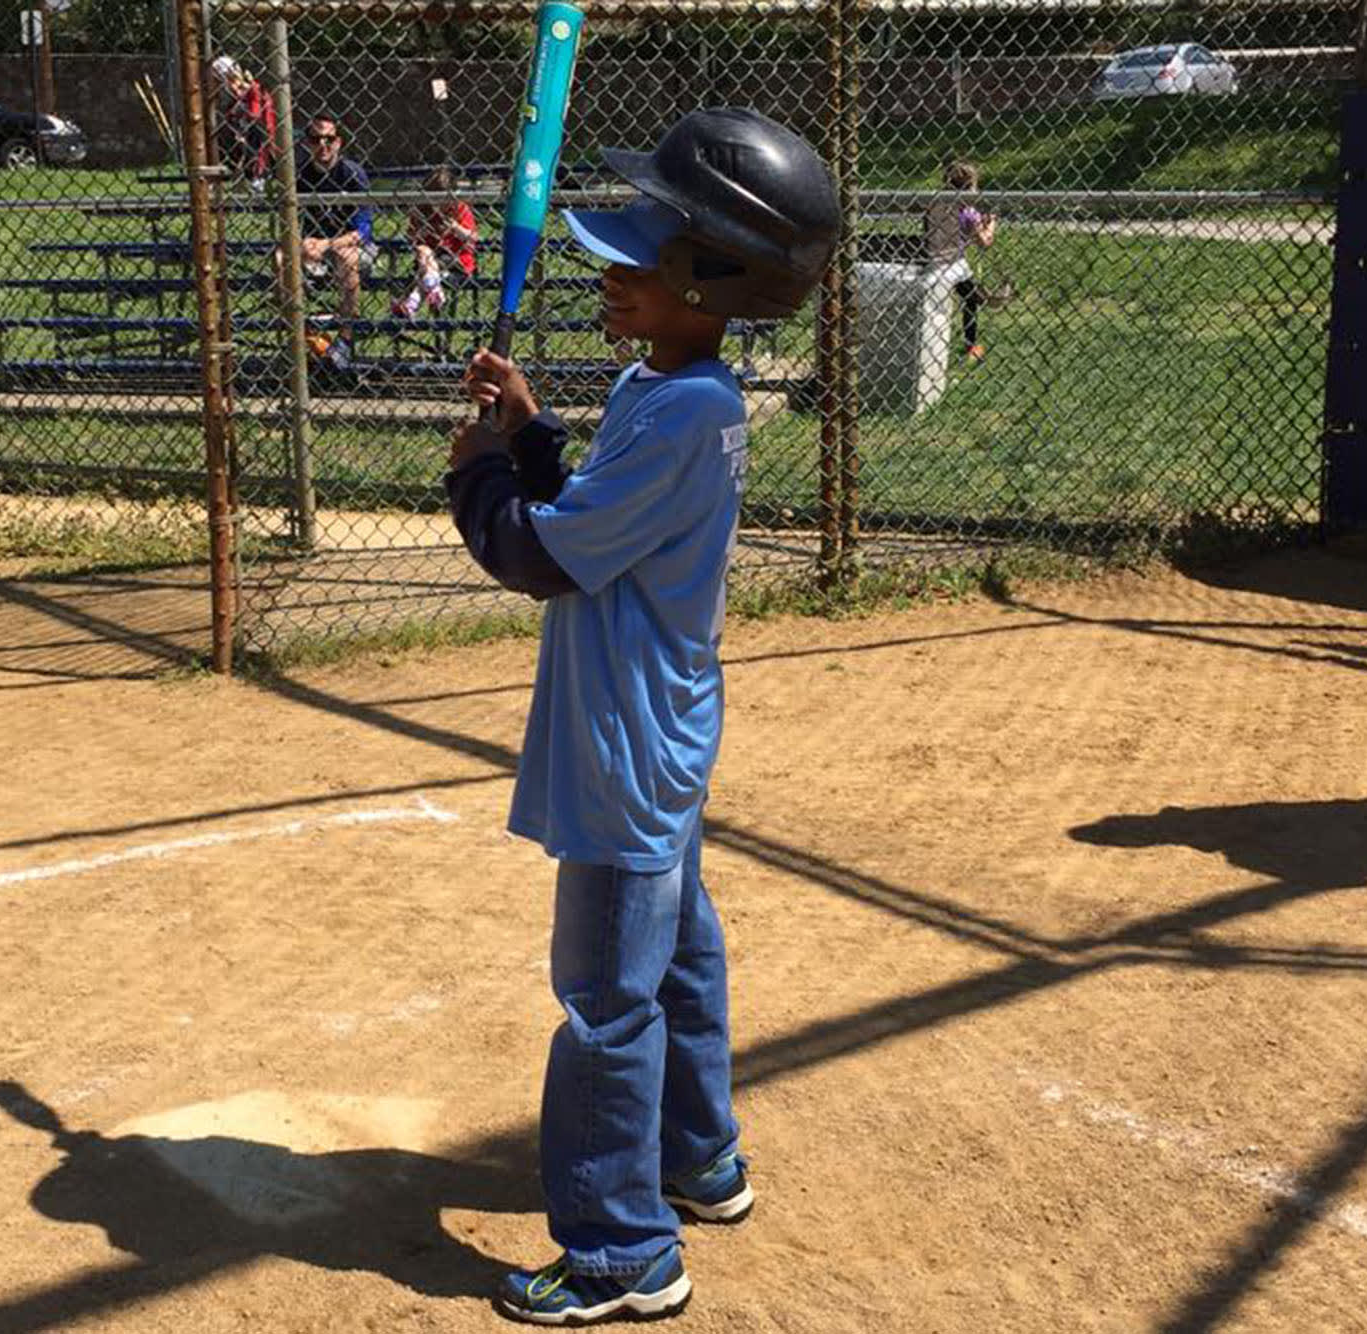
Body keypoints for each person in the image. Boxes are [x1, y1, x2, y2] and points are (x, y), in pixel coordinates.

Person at [443, 108, 840, 1325]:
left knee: (605, 996)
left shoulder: (680, 410)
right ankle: (699, 1155)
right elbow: (598, 510)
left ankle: (622, 1250)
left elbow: (547, 557)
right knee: (675, 951)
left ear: (710, 280)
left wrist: (474, 478)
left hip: (622, 743)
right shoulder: (669, 387)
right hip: (661, 721)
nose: (609, 273)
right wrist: (525, 431)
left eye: (638, 258)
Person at [293, 115, 373, 367]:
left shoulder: (352, 173)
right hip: (313, 246)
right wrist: (301, 244)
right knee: (281, 257)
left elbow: (364, 230)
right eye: (316, 139)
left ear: (339, 142)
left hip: (351, 247)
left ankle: (345, 340)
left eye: (329, 139)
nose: (323, 145)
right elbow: (290, 225)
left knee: (346, 258)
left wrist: (327, 244)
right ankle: (300, 331)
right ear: (307, 143)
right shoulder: (300, 175)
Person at [923, 159, 998, 362]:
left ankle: (955, 342)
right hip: (953, 264)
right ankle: (970, 344)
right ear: (969, 187)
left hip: (931, 260)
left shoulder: (935, 204)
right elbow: (984, 242)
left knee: (960, 298)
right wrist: (990, 225)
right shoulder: (968, 212)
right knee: (972, 299)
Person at [391, 166, 477, 319]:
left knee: (425, 264)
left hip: (456, 261)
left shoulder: (460, 209)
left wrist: (455, 228)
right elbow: (410, 237)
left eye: (442, 199)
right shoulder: (421, 210)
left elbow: (472, 238)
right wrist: (419, 233)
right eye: (432, 198)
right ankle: (433, 290)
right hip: (427, 260)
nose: (437, 205)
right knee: (423, 250)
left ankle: (414, 302)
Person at [210, 55, 275, 192]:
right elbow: (230, 115)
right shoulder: (232, 97)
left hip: (258, 132)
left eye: (219, 80)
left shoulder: (252, 90)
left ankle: (257, 177)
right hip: (241, 132)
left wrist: (240, 125)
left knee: (256, 134)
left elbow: (256, 115)